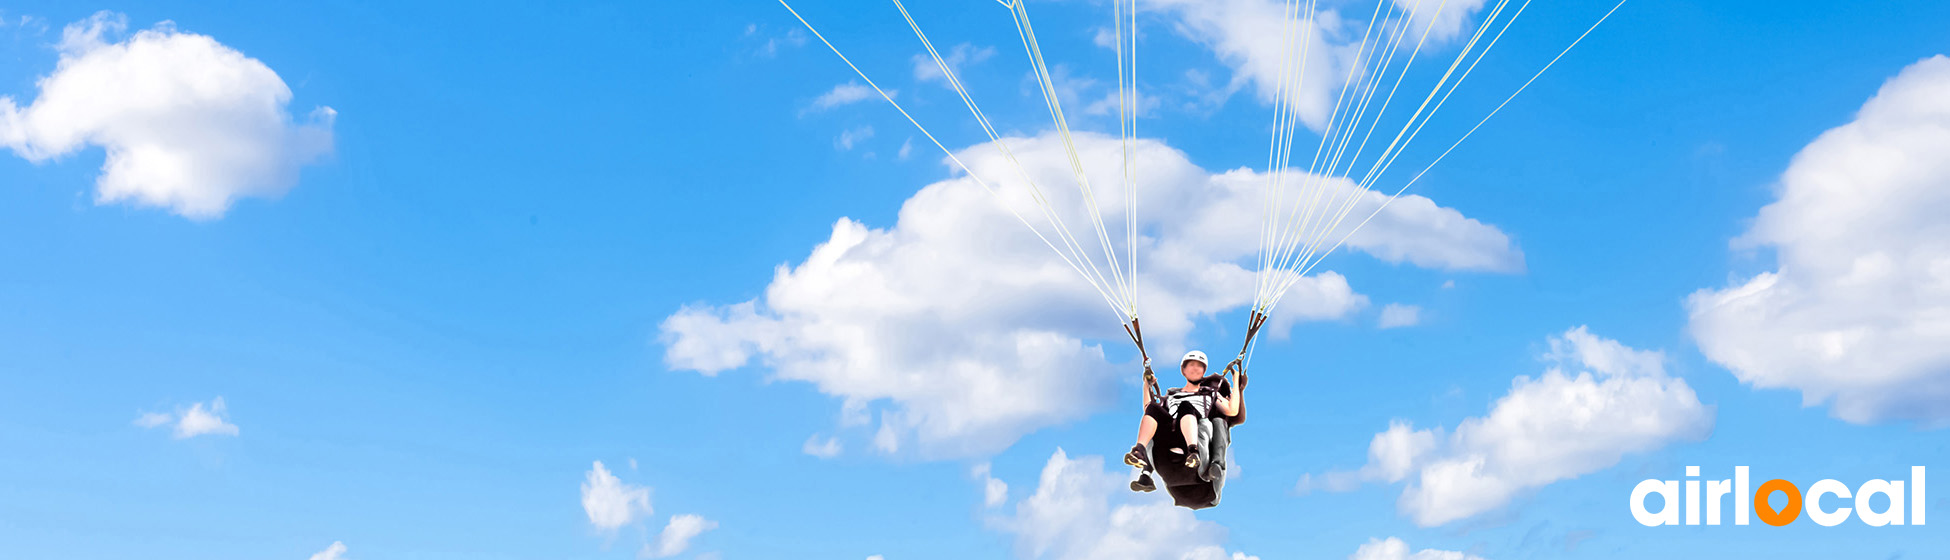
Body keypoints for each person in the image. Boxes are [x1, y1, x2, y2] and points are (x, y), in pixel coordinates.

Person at [1123, 350, 1243, 491]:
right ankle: (1139, 451)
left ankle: (1193, 452)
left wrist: (1236, 380)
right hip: (1170, 431)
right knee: (1154, 407)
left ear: (1203, 371)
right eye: (1191, 365)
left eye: (1199, 366)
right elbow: (1148, 410)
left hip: (1195, 431)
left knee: (1185, 406)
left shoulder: (1210, 393)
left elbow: (1232, 410)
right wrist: (1146, 385)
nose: (1195, 368)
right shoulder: (1172, 393)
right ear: (1183, 370)